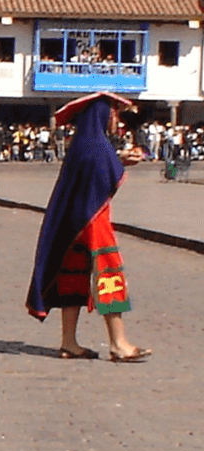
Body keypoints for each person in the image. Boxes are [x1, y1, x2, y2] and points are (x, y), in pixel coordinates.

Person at [26, 92, 150, 362]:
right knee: (109, 273)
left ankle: (69, 342)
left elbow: (95, 171)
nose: (116, 119)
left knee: (72, 275)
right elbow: (107, 176)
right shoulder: (98, 145)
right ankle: (119, 343)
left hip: (74, 223)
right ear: (103, 114)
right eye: (114, 112)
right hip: (95, 220)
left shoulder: (82, 143)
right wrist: (122, 162)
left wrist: (117, 159)